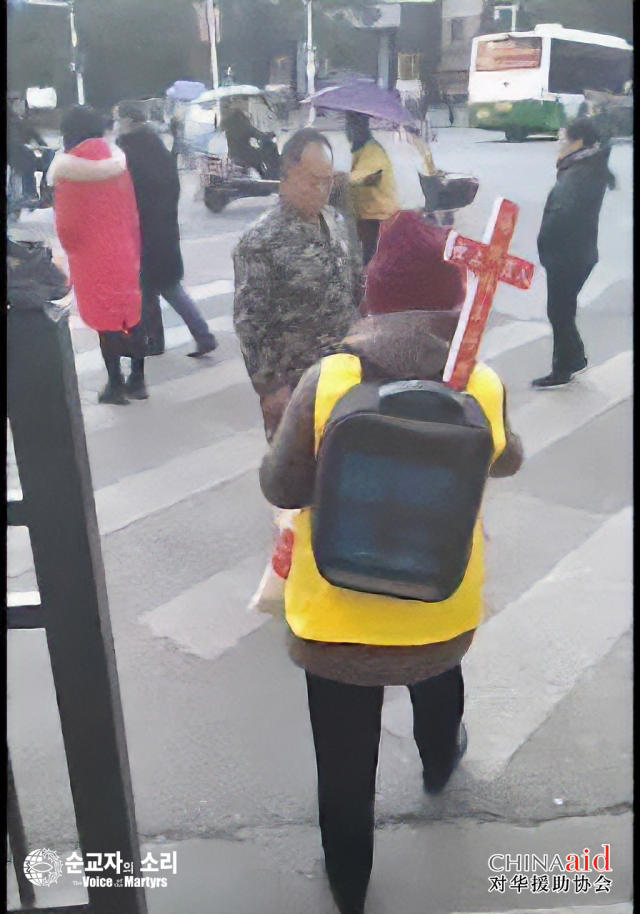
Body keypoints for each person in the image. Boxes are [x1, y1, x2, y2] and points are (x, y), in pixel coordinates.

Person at [259, 209, 523, 914]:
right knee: (438, 676)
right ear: (450, 300)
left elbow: (281, 485)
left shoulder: (330, 378)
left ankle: (350, 887)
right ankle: (441, 761)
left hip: (336, 618)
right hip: (438, 603)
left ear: (373, 296)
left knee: (344, 767)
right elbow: (507, 459)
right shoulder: (480, 382)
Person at [233, 128, 362, 440]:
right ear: (286, 176)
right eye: (311, 180)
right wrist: (270, 389)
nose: (320, 190)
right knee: (301, 480)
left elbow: (354, 285)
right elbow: (251, 323)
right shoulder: (261, 241)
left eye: (327, 180)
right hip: (298, 390)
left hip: (345, 377)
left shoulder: (335, 221)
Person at [49, 105, 147, 404]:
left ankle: (115, 384)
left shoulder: (69, 170)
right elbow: (131, 209)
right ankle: (139, 380)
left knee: (106, 321)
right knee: (130, 315)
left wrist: (72, 249)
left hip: (92, 256)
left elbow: (67, 227)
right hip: (125, 249)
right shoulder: (117, 162)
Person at [116, 100, 217, 358]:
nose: (117, 124)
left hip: (145, 230)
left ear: (128, 120)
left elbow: (127, 192)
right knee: (154, 287)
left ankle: (199, 336)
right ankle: (159, 340)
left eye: (119, 119)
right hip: (163, 227)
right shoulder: (156, 145)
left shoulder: (129, 150)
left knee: (164, 287)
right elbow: (172, 185)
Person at [533, 117, 616, 389]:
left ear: (577, 142)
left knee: (559, 310)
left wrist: (547, 245)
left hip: (568, 254)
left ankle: (563, 369)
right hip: (577, 252)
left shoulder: (580, 173)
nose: (559, 144)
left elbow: (563, 215)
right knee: (562, 310)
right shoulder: (586, 166)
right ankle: (574, 359)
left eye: (562, 139)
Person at [345, 111, 399, 265]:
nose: (349, 131)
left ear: (363, 127)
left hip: (379, 217)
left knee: (372, 260)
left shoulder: (373, 151)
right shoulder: (360, 150)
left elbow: (356, 177)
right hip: (366, 215)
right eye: (348, 125)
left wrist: (332, 179)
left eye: (353, 126)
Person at [7, 106, 55, 203]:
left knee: (50, 154)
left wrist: (43, 147)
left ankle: (44, 189)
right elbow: (13, 140)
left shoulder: (21, 121)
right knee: (26, 157)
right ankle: (29, 193)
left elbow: (34, 135)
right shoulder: (12, 122)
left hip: (22, 153)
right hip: (15, 153)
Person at [220, 100, 275, 177]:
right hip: (245, 155)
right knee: (258, 160)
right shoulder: (244, 126)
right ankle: (264, 177)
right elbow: (259, 135)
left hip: (232, 155)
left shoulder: (228, 126)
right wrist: (271, 134)